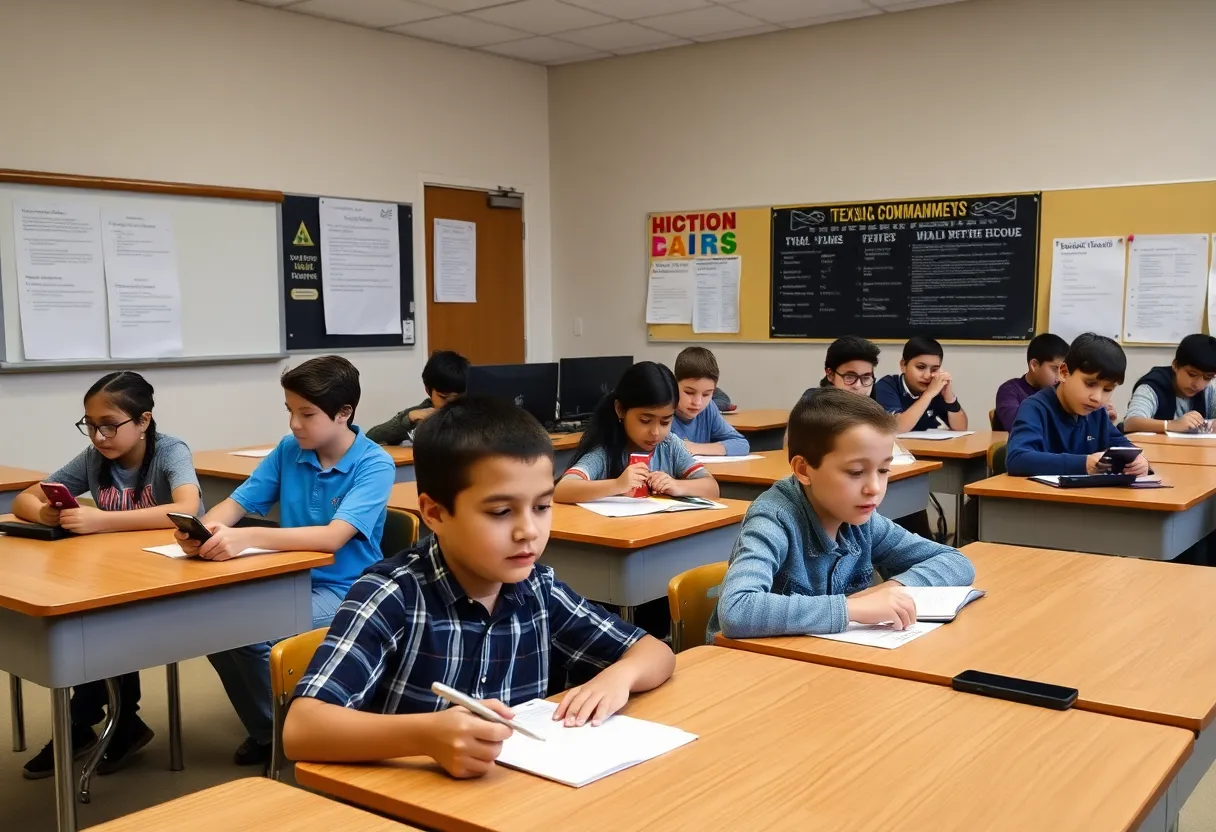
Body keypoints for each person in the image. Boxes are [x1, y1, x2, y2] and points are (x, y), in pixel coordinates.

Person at [282, 395, 675, 774]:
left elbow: (655, 653)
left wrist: (617, 677)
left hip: (512, 795)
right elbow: (302, 729)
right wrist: (425, 735)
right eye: (502, 512)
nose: (528, 532)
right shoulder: (392, 596)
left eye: (542, 507)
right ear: (435, 513)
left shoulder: (538, 590)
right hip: (404, 802)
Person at [178, 355, 395, 768]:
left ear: (344, 413)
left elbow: (333, 537)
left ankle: (295, 735)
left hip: (349, 590)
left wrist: (249, 538)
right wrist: (201, 529)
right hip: (288, 581)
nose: (295, 424)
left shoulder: (374, 463)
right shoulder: (289, 450)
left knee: (247, 633)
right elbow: (240, 501)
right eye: (290, 411)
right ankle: (270, 731)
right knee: (214, 631)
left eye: (307, 413)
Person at [13, 371, 202, 778]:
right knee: (86, 621)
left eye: (110, 425)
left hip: (166, 575)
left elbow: (189, 509)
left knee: (98, 627)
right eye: (91, 425)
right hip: (112, 575)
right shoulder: (94, 459)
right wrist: (45, 512)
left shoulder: (170, 451)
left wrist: (102, 521)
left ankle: (88, 723)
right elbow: (25, 498)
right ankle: (117, 722)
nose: (99, 437)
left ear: (144, 421)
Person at [709, 389, 974, 640]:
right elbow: (737, 610)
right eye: (856, 472)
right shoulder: (774, 519)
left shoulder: (862, 521)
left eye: (883, 471)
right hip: (753, 668)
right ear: (803, 469)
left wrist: (892, 589)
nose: (874, 488)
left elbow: (955, 562)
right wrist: (850, 608)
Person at [554, 361, 719, 503]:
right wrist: (618, 484)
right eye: (645, 421)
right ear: (620, 410)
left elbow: (712, 488)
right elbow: (562, 489)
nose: (655, 432)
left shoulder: (670, 445)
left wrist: (677, 486)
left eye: (665, 421)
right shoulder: (606, 451)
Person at [1005, 333, 1148, 477]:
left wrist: (1139, 461)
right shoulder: (1034, 408)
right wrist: (1083, 463)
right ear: (1064, 372)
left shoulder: (1096, 413)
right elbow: (1017, 459)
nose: (1097, 398)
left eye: (1107, 389)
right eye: (1090, 384)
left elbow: (1122, 446)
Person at [366, 350, 470, 445]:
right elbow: (371, 437)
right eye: (443, 397)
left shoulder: (474, 412)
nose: (450, 403)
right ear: (428, 390)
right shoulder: (421, 413)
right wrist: (408, 420)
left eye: (456, 397)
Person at [1123, 334, 1216, 435]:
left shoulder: (1207, 391)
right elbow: (1130, 423)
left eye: (1208, 377)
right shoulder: (1152, 387)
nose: (1198, 384)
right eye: (1192, 374)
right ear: (1175, 365)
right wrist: (1171, 425)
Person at [873, 336, 968, 433]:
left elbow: (961, 428)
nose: (927, 376)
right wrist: (928, 394)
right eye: (921, 367)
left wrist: (949, 398)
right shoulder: (886, 386)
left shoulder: (935, 388)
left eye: (934, 369)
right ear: (903, 365)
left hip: (925, 446)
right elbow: (897, 428)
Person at [670, 346, 749, 456]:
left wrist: (695, 448)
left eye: (706, 394)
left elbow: (741, 444)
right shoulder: (663, 410)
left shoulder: (708, 408)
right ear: (674, 384)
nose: (697, 402)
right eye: (689, 392)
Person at [993, 333, 1070, 432]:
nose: (1060, 377)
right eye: (1055, 369)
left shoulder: (1061, 391)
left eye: (1064, 371)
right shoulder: (1010, 391)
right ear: (1034, 365)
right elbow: (1017, 426)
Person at [813, 336, 880, 397]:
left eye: (865, 378)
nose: (857, 386)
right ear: (830, 375)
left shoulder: (873, 406)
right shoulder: (813, 408)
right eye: (850, 377)